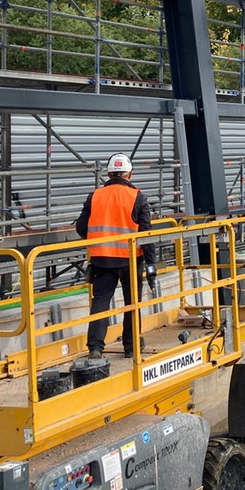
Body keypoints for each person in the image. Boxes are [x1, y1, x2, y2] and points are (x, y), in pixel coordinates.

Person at [76, 153, 157, 359]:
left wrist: (99, 240)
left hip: (102, 259)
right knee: (132, 303)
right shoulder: (137, 196)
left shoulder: (95, 196)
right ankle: (131, 347)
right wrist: (151, 265)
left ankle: (95, 347)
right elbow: (146, 234)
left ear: (109, 173)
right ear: (129, 173)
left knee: (101, 303)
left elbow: (81, 227)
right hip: (130, 259)